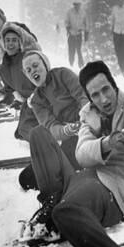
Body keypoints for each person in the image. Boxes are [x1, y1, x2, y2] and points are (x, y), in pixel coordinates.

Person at [26, 60, 124, 247]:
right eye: (95, 95)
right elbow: (81, 154)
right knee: (38, 134)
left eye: (106, 89)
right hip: (81, 179)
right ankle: (51, 202)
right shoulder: (88, 114)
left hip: (111, 188)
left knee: (65, 212)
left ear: (114, 84)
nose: (103, 99)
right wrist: (105, 141)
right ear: (89, 97)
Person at [19, 50, 89, 190]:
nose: (33, 71)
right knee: (27, 178)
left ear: (45, 65)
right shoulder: (36, 101)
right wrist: (65, 130)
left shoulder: (63, 75)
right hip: (70, 139)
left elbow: (83, 96)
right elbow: (50, 126)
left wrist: (84, 120)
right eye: (28, 70)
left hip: (90, 127)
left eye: (35, 65)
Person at [0, 23, 40, 141]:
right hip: (28, 103)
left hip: (41, 100)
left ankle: (48, 143)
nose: (10, 43)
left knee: (27, 130)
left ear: (20, 43)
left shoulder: (28, 59)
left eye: (14, 40)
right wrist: (8, 95)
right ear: (3, 43)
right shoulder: (3, 67)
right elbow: (9, 86)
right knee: (22, 132)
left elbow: (42, 80)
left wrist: (36, 96)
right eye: (7, 40)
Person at [65, 0, 89, 69]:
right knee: (71, 51)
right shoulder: (69, 12)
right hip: (71, 34)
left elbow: (86, 23)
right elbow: (66, 21)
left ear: (80, 5)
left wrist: (86, 32)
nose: (77, 6)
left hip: (79, 34)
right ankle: (71, 64)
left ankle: (81, 66)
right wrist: (68, 27)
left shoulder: (83, 13)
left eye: (78, 5)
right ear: (74, 5)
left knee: (79, 50)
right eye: (75, 5)